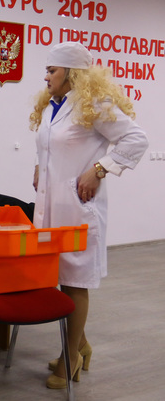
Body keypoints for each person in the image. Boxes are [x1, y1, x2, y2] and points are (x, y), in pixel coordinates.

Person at [29, 42, 148, 389]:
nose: (46, 76)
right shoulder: (54, 105)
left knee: (75, 279)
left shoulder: (94, 103)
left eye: (52, 70)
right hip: (53, 206)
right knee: (61, 275)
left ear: (71, 73)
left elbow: (136, 139)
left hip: (78, 208)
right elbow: (51, 145)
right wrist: (39, 165)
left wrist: (99, 169)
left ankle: (70, 359)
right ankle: (80, 346)